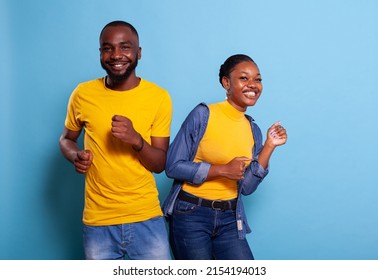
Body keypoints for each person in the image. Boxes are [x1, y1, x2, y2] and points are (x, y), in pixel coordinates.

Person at [59, 20, 173, 260]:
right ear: (100, 53)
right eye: (107, 48)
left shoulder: (159, 97)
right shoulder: (82, 94)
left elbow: (160, 164)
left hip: (146, 218)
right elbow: (66, 139)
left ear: (138, 52)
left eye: (125, 47)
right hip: (98, 221)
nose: (116, 55)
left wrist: (136, 140)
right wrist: (74, 155)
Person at [162, 54, 287, 260]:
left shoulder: (252, 129)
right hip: (191, 214)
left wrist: (269, 146)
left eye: (258, 79)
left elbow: (246, 187)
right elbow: (173, 166)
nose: (253, 85)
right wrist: (221, 170)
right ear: (226, 82)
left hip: (231, 217)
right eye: (244, 78)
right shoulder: (203, 114)